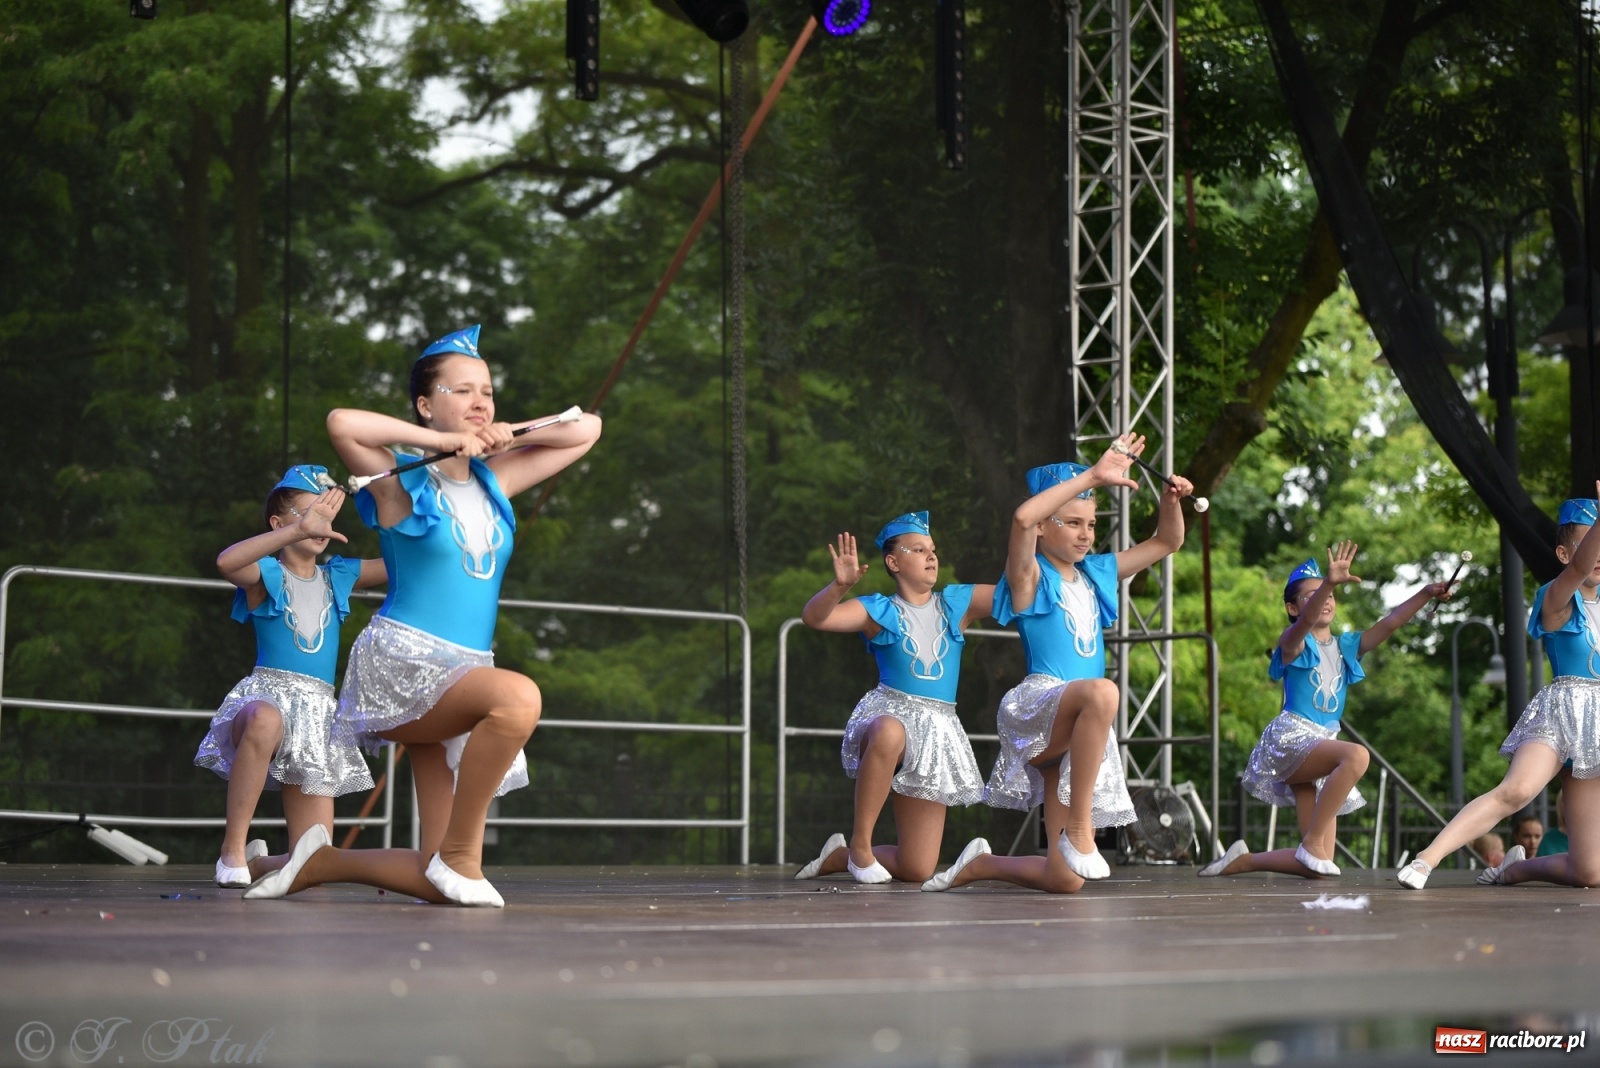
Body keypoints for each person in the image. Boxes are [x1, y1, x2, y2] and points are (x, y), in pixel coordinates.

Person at [243, 324, 602, 907]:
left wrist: (508, 439)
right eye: (461, 391)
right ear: (425, 404)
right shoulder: (401, 485)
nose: (480, 401)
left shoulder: (496, 482)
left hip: (466, 670)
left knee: (442, 882)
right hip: (404, 664)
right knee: (518, 700)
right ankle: (461, 855)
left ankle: (322, 861)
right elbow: (343, 423)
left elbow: (588, 427)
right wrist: (435, 445)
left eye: (486, 390)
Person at [923, 436, 1191, 894]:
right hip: (1040, 710)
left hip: (1080, 732)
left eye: (1091, 523)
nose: (1086, 534)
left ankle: (982, 865)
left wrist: (1169, 500)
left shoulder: (1097, 574)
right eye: (1072, 522)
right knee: (1103, 690)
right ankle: (1083, 831)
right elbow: (1022, 517)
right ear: (1045, 528)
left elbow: (1169, 540)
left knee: (1064, 881)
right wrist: (1093, 475)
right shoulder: (1028, 577)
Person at [1204, 542, 1449, 879]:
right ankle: (1312, 842)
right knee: (1357, 756)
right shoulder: (1293, 641)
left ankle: (1244, 861)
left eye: (1329, 593)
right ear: (1292, 608)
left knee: (1318, 867)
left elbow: (1391, 622)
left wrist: (1425, 592)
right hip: (1292, 739)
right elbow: (1305, 622)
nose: (1326, 598)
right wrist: (1331, 582)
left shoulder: (1346, 646)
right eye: (1313, 594)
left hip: (1322, 744)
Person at [196, 466, 385, 887]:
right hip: (269, 698)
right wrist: (298, 530)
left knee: (314, 862)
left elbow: (402, 565)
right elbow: (227, 561)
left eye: (326, 514)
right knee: (266, 719)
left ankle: (259, 863)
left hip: (318, 714)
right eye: (307, 513)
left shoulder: (339, 575)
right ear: (279, 525)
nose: (320, 523)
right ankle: (232, 848)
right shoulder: (266, 574)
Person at [1399, 496, 1600, 889]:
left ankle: (1514, 869)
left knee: (1589, 872)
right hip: (1562, 711)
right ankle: (1427, 859)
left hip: (1596, 729)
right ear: (1563, 552)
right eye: (1590, 540)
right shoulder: (1556, 597)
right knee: (1518, 790)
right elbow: (1579, 568)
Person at [792, 514, 993, 885]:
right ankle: (861, 845)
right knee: (888, 732)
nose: (931, 557)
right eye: (918, 550)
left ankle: (840, 857)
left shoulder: (955, 603)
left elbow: (1019, 591)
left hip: (937, 730)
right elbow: (815, 618)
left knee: (917, 868)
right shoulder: (879, 609)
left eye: (933, 550)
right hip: (891, 713)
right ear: (893, 562)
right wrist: (839, 587)